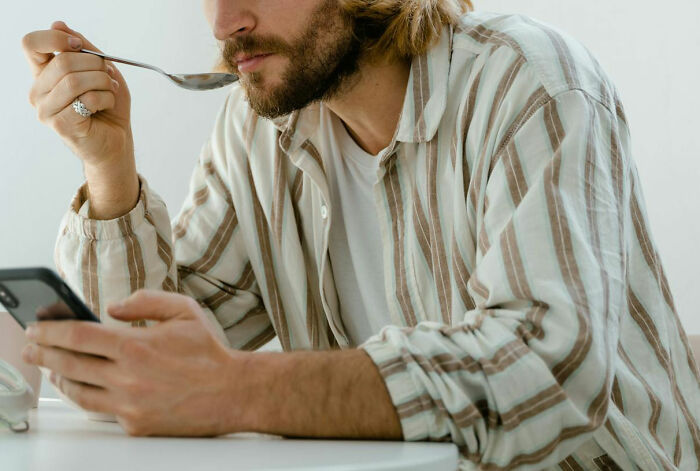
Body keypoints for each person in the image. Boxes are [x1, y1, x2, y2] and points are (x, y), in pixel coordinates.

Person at [20, 1, 700, 469]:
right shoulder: (258, 130)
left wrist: (237, 388)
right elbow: (144, 371)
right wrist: (110, 167)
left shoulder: (531, 84)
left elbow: (546, 369)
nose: (226, 23)